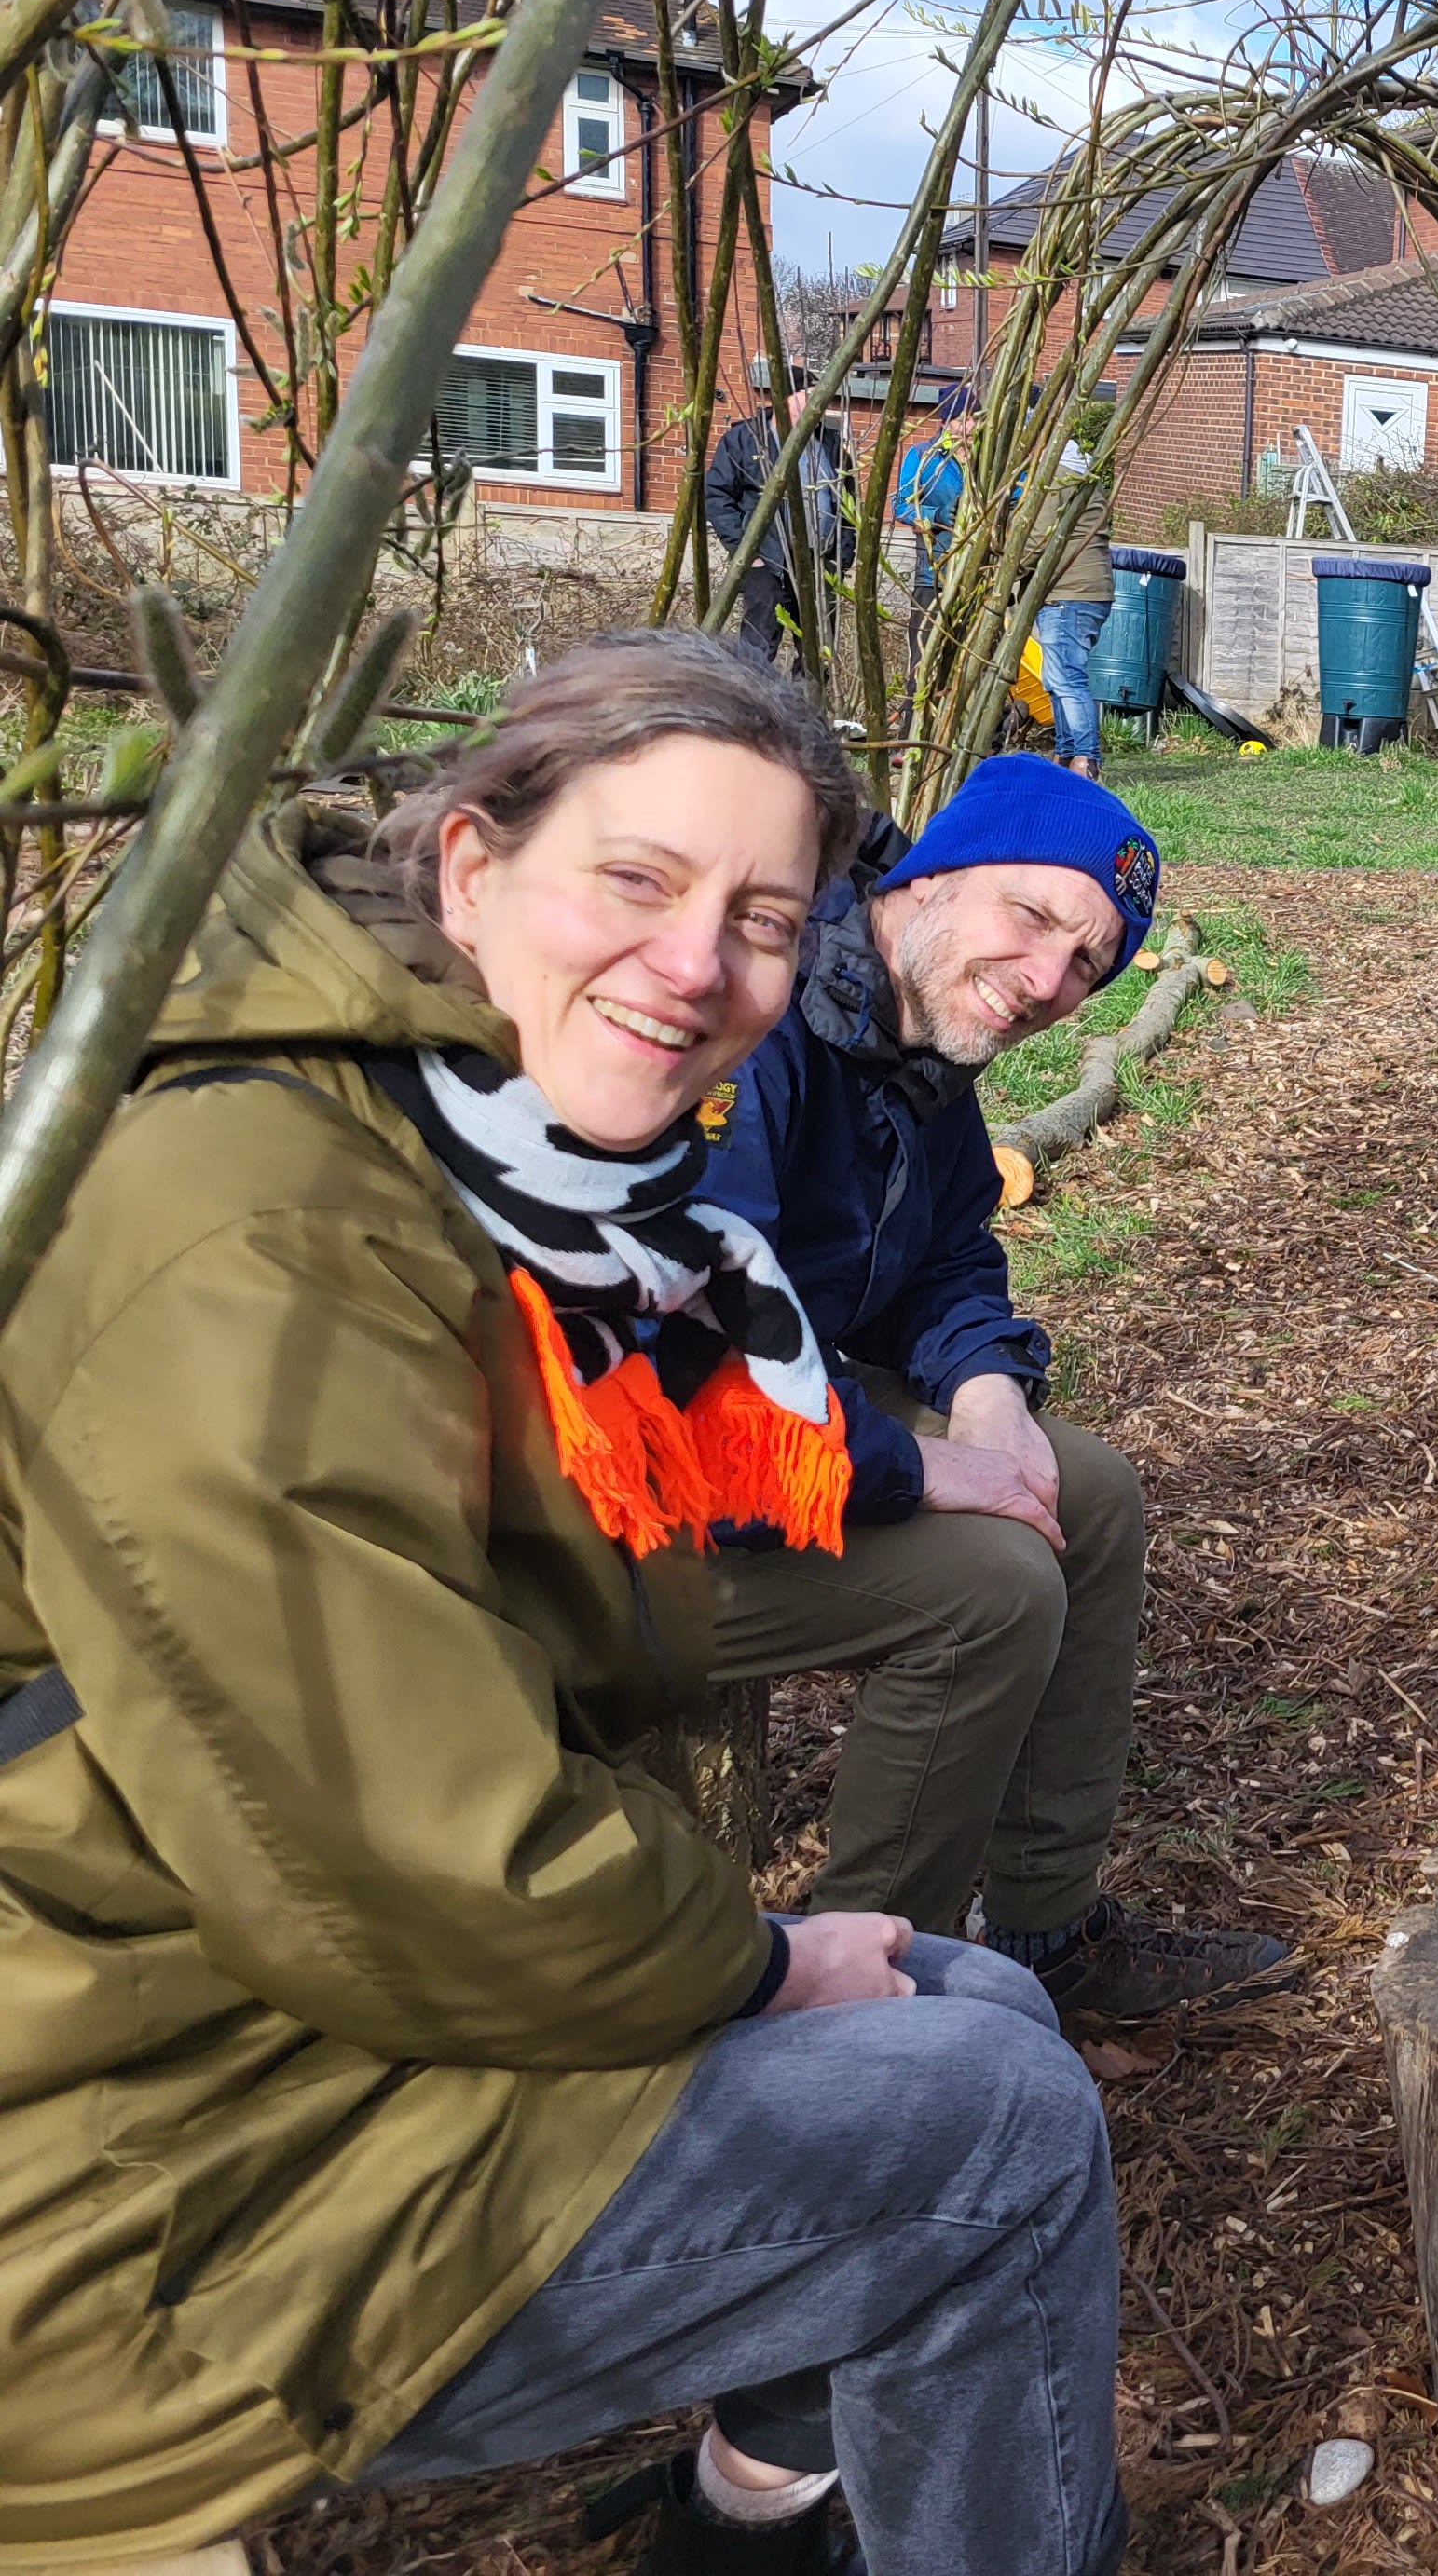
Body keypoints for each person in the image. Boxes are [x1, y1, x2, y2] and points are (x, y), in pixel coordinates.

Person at [0, 634, 1125, 2576]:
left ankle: (760, 2497)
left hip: (267, 1970)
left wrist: (993, 1388)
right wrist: (766, 1961)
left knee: (993, 1954)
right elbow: (417, 1830)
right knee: (992, 2094)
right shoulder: (262, 1220)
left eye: (755, 917)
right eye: (639, 881)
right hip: (138, 2156)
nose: (698, 966)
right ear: (465, 866)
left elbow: (919, 1276)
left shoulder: (483, 1125)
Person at [699, 751, 1293, 2022]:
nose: (1047, 983)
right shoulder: (757, 1019)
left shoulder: (910, 1038)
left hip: (792, 1427)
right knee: (993, 1588)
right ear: (937, 874)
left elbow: (956, 1250)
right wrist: (922, 1472)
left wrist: (984, 1395)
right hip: (631, 1500)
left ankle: (1043, 1930)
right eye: (1035, 919)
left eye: (1088, 968)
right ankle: (860, 1996)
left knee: (1093, 1496)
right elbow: (705, 1374)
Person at [705, 362, 858, 669]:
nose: (820, 402)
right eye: (810, 394)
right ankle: (750, 708)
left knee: (818, 654)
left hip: (818, 565)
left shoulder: (829, 446)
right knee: (756, 651)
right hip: (767, 563)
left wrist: (841, 556)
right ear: (784, 399)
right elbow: (717, 496)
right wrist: (747, 553)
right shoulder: (746, 440)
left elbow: (847, 506)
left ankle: (807, 710)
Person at [1032, 437, 1117, 777]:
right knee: (1056, 678)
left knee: (1067, 679)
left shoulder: (1057, 478)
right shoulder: (1081, 476)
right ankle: (1066, 755)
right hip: (1085, 590)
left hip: (1070, 592)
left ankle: (1085, 759)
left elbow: (1037, 539)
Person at [890, 387, 972, 620]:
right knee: (925, 649)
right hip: (934, 575)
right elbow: (899, 505)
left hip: (977, 576)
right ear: (945, 423)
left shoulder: (987, 458)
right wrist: (937, 516)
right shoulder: (923, 455)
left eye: (973, 418)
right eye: (961, 420)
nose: (970, 426)